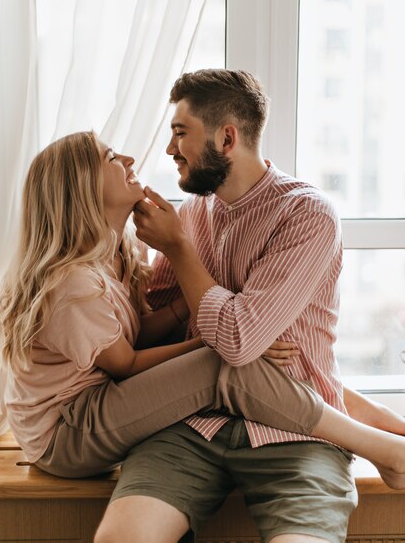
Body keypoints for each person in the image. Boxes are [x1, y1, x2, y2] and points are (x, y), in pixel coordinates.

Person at [94, 69, 405, 543]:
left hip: (298, 434)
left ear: (226, 138)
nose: (169, 149)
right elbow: (147, 334)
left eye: (181, 133)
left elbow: (238, 342)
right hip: (190, 426)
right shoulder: (192, 214)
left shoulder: (307, 215)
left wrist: (180, 251)